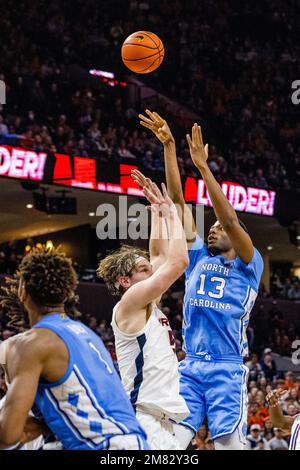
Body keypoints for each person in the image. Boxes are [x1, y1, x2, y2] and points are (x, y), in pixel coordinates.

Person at [139, 110, 264, 450]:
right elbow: (179, 203)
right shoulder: (197, 259)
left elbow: (231, 220)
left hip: (227, 368)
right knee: (170, 442)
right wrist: (168, 146)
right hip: (191, 365)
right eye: (211, 226)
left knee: (227, 443)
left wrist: (204, 168)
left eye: (217, 227)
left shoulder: (250, 264)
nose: (212, 227)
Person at [0, 247, 148, 450]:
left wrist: (31, 426)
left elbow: (7, 436)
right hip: (138, 443)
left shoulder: (31, 345)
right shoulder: (88, 335)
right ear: (68, 292)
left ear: (22, 290)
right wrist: (44, 426)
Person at [98, 179, 190, 450]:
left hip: (159, 421)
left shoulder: (147, 304)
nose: (152, 269)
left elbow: (160, 255)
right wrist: (173, 213)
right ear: (125, 281)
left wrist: (159, 213)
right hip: (141, 419)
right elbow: (178, 261)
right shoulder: (130, 302)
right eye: (143, 269)